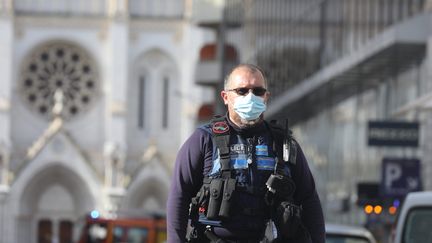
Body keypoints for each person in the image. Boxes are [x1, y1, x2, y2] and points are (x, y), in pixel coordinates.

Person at [167, 64, 325, 243]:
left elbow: (310, 200)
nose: (251, 97)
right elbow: (178, 197)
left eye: (258, 91)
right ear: (226, 97)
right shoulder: (204, 140)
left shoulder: (283, 143)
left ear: (266, 97)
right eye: (242, 91)